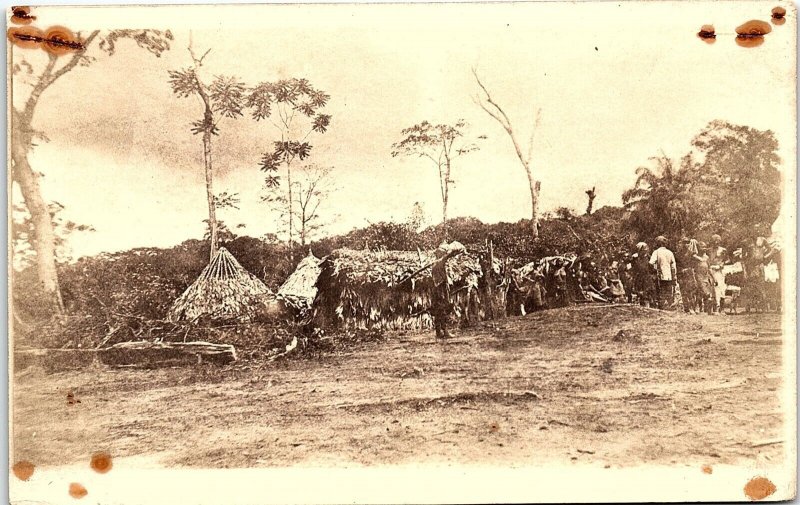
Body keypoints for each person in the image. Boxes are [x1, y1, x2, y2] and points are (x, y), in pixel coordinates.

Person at [430, 240, 466, 339]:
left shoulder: (434, 264)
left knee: (438, 312)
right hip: (440, 290)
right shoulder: (439, 262)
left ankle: (438, 332)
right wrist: (453, 252)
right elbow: (446, 257)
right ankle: (445, 332)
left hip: (437, 290)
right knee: (443, 310)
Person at [649, 235, 677, 309]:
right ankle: (671, 306)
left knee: (661, 291)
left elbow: (651, 263)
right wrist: (674, 276)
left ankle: (661, 307)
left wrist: (654, 270)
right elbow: (673, 266)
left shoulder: (656, 252)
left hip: (660, 275)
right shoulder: (670, 252)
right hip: (669, 276)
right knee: (669, 292)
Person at [676, 237, 699, 314]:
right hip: (681, 275)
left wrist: (690, 269)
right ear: (682, 243)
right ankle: (686, 309)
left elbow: (695, 264)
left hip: (690, 274)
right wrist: (681, 270)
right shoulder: (677, 254)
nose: (686, 244)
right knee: (683, 292)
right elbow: (676, 265)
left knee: (691, 292)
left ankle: (692, 308)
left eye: (687, 242)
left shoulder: (692, 253)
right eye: (684, 242)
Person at [692, 242, 715, 315]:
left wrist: (713, 277)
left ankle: (707, 310)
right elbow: (693, 268)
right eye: (702, 248)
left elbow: (709, 268)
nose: (704, 250)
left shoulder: (707, 257)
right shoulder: (695, 257)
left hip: (706, 276)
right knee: (703, 292)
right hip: (698, 276)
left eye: (705, 248)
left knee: (704, 293)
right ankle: (698, 308)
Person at [707, 234, 728, 314]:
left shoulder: (723, 250)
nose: (716, 242)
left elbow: (727, 260)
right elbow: (707, 260)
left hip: (720, 271)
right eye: (714, 241)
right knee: (713, 290)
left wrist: (721, 265)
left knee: (721, 289)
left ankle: (722, 309)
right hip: (711, 270)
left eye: (718, 240)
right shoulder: (709, 250)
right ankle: (715, 309)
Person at [632, 242, 656, 307]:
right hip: (639, 277)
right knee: (641, 293)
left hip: (647, 277)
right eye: (643, 249)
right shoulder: (635, 258)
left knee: (649, 292)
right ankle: (643, 306)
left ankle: (651, 306)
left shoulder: (649, 257)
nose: (645, 251)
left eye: (646, 249)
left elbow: (653, 268)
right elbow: (633, 268)